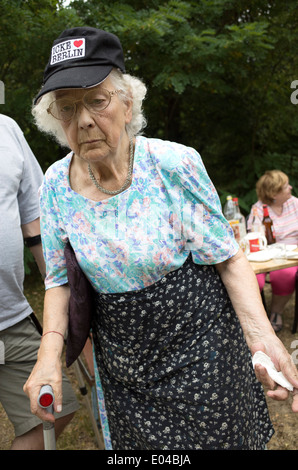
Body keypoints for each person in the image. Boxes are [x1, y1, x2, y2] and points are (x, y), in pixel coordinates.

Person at [24, 27, 298, 450]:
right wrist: (48, 356)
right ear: (55, 120)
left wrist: (262, 338)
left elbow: (227, 258)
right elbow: (58, 279)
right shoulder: (55, 184)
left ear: (127, 102)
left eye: (97, 100)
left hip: (204, 355)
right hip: (124, 371)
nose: (83, 119)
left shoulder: (173, 163)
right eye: (67, 108)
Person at [0, 114, 79, 450]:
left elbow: (35, 222)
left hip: (10, 316)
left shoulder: (6, 129)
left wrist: (66, 301)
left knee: (55, 409)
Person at [247, 170, 298, 332]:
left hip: (291, 254)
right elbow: (253, 237)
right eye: (285, 187)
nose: (290, 187)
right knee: (253, 279)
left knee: (285, 274)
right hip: (264, 254)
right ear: (274, 194)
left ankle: (276, 313)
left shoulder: (295, 204)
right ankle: (254, 319)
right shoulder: (258, 210)